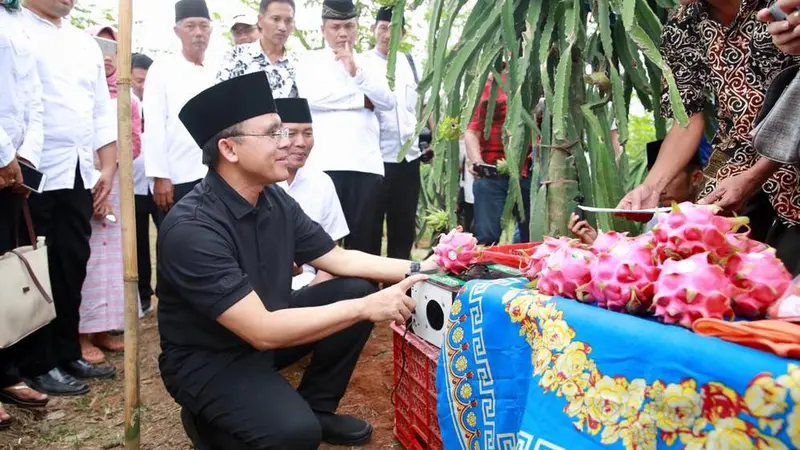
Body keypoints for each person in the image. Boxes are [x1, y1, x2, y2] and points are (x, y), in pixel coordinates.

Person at [157, 72, 435, 449]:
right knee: (293, 435)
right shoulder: (192, 228)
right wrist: (367, 307)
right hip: (211, 359)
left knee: (353, 287)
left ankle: (317, 407)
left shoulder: (273, 199)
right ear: (230, 150)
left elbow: (338, 257)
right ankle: (207, 423)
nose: (287, 143)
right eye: (273, 133)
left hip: (268, 334)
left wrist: (428, 268)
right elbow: (262, 330)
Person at [616, 0, 800, 273]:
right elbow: (686, 118)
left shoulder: (782, 6)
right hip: (734, 166)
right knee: (706, 269)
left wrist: (754, 176)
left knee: (784, 287)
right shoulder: (681, 24)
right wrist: (651, 188)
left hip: (791, 161)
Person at [19, 0, 119, 395]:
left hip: (79, 169)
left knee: (72, 261)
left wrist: (107, 167)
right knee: (32, 268)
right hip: (31, 168)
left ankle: (66, 350)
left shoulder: (82, 42)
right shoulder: (14, 30)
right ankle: (35, 362)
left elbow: (99, 108)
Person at [295, 0, 396, 255]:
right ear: (323, 29)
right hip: (323, 165)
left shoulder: (370, 63)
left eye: (349, 26)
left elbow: (386, 101)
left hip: (366, 165)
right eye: (335, 27)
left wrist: (356, 71)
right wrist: (361, 100)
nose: (342, 33)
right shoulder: (309, 61)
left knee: (366, 243)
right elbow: (311, 98)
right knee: (321, 244)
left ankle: (370, 293)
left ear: (358, 27)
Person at [78, 26, 143, 364]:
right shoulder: (81, 93)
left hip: (117, 184)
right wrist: (94, 181)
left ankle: (103, 328)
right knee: (85, 259)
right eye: (98, 47)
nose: (105, 57)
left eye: (112, 49)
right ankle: (80, 333)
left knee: (112, 259)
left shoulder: (128, 98)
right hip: (83, 182)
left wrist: (109, 177)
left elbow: (133, 142)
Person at [0, 0, 49, 429]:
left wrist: (23, 157)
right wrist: (2, 153)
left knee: (5, 270)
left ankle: (5, 372)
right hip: (2, 158)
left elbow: (33, 97)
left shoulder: (16, 19)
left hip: (12, 167)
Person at [143, 0, 215, 227]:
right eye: (190, 26)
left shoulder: (217, 68)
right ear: (177, 31)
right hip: (177, 175)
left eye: (204, 26)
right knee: (177, 239)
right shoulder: (162, 68)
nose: (198, 33)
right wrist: (160, 176)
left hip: (215, 174)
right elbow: (154, 124)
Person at [275, 97, 349, 290]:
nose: (301, 143)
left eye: (308, 133)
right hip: (258, 289)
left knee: (357, 288)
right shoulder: (258, 181)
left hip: (308, 284)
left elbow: (332, 249)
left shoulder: (321, 182)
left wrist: (314, 291)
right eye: (291, 133)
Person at [366, 7, 422, 260]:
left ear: (404, 32)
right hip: (374, 160)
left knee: (404, 227)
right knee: (369, 228)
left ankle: (402, 287)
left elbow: (423, 105)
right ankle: (367, 290)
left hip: (409, 159)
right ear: (372, 30)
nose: (388, 34)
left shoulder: (412, 63)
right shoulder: (362, 64)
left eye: (394, 28)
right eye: (382, 28)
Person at [570, 142, 705, 245]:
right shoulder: (656, 219)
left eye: (668, 179)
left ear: (696, 178)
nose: (660, 188)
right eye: (656, 179)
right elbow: (646, 258)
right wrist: (597, 242)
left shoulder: (716, 215)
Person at [464, 70, 534, 245]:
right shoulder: (488, 84)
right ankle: (482, 270)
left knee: (530, 237)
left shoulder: (534, 75)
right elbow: (472, 130)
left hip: (528, 171)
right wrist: (477, 162)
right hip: (492, 171)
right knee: (487, 237)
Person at [217, 0, 298, 98]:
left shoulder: (299, 63)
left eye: (288, 21)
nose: (282, 27)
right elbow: (218, 100)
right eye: (276, 19)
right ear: (260, 20)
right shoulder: (235, 56)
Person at [131, 52, 155, 313]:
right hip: (133, 186)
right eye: (138, 81)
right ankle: (141, 294)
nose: (142, 86)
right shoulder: (122, 103)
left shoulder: (156, 102)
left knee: (166, 240)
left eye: (146, 81)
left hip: (158, 183)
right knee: (137, 243)